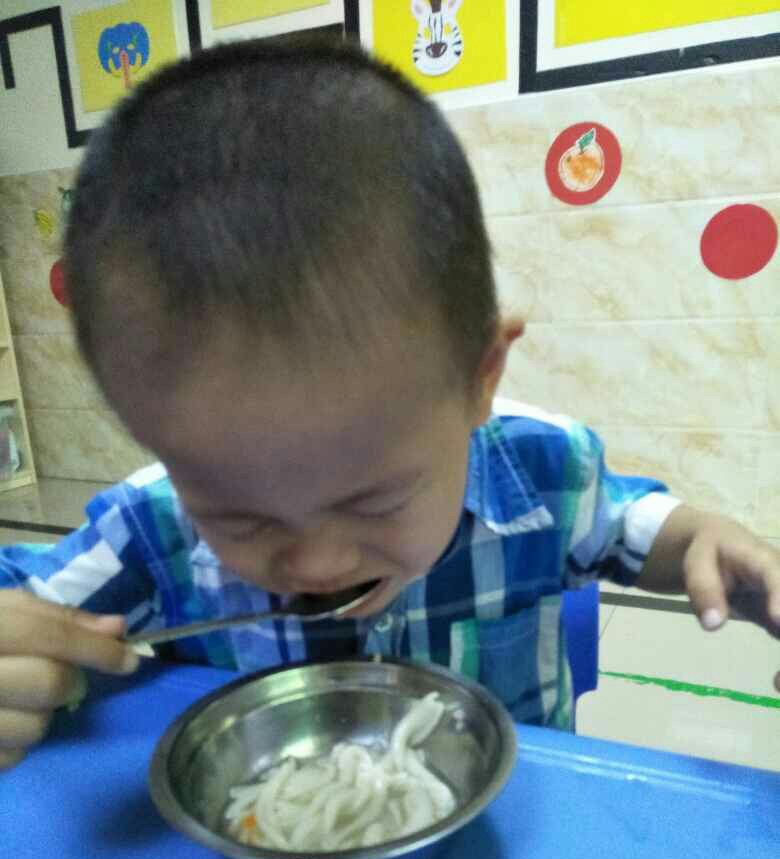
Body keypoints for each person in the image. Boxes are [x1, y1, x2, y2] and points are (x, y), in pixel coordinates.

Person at [1, 38, 778, 771]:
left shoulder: (543, 469)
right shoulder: (155, 529)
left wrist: (707, 540)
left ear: (480, 377)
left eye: (373, 501)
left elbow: (636, 531)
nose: (316, 564)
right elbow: (25, 602)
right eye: (242, 518)